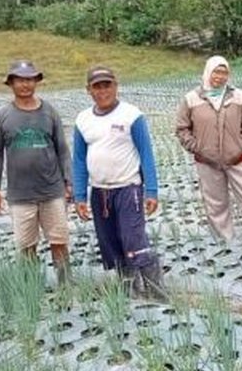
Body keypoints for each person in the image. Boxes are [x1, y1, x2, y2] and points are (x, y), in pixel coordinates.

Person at [72, 66, 169, 300]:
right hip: (100, 192)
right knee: (111, 243)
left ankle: (156, 293)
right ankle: (130, 291)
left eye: (107, 85)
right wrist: (80, 196)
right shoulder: (83, 120)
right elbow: (79, 160)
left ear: (116, 86)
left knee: (133, 239)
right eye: (97, 86)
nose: (103, 91)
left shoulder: (131, 115)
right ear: (88, 90)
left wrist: (151, 191)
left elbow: (146, 153)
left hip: (128, 188)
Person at [174, 55, 242, 246]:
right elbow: (182, 128)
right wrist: (197, 149)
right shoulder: (191, 99)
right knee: (216, 203)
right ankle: (226, 239)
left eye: (224, 72)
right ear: (208, 72)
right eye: (216, 72)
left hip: (238, 158)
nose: (220, 76)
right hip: (207, 161)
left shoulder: (238, 96)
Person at [0, 59, 73, 285]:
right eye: (20, 80)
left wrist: (69, 182)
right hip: (20, 194)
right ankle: (31, 290)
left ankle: (65, 287)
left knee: (59, 241)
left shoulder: (49, 112)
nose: (25, 85)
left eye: (30, 80)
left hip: (52, 190)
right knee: (26, 246)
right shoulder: (1, 116)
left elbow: (63, 149)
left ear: (36, 82)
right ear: (11, 83)